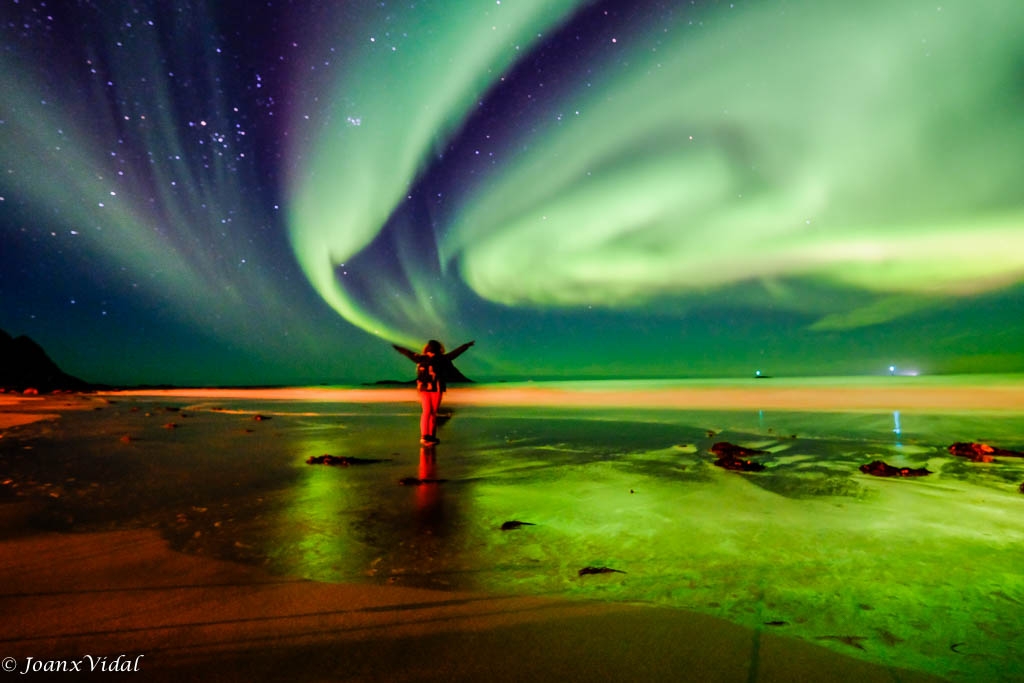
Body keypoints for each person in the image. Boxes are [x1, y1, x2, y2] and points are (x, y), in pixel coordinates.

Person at [392, 339, 474, 445]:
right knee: (432, 413)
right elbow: (455, 353)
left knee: (426, 412)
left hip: (424, 388)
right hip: (436, 387)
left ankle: (425, 436)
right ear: (439, 348)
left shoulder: (420, 358)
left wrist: (397, 347)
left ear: (428, 348)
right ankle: (430, 436)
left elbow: (408, 353)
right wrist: (466, 345)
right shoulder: (442, 358)